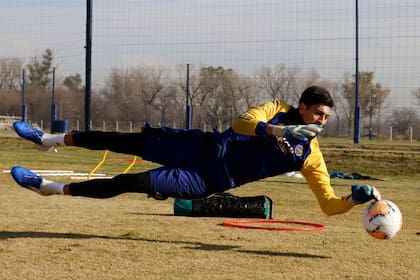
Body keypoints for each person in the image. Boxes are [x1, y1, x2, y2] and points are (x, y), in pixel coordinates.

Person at [10, 85, 380, 216]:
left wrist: (352, 198)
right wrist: (277, 129)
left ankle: (48, 187)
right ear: (302, 106)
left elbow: (328, 205)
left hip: (207, 177)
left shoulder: (310, 156)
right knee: (120, 140)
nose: (322, 120)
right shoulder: (277, 108)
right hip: (201, 145)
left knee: (130, 182)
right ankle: (47, 140)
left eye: (328, 116)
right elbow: (240, 122)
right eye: (318, 112)